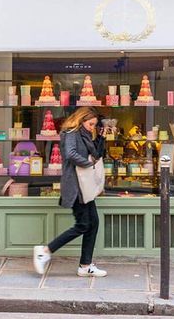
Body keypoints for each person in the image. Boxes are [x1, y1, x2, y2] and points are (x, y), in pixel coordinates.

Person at [33, 107, 107, 277]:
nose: (92, 127)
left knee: (93, 223)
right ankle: (44, 251)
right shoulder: (71, 133)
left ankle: (85, 265)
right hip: (75, 186)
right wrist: (89, 165)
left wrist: (101, 136)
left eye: (94, 125)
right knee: (83, 225)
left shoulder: (87, 135)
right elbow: (71, 154)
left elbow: (97, 154)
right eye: (90, 124)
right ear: (81, 120)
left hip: (85, 186)